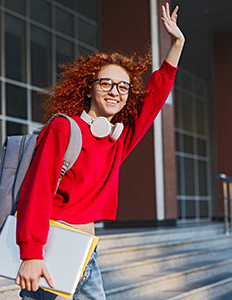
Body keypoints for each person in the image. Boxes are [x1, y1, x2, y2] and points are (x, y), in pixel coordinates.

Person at [15, 3, 185, 300]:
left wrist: (177, 45)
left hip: (86, 251)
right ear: (89, 88)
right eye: (106, 83)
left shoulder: (116, 139)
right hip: (51, 249)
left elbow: (155, 99)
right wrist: (31, 253)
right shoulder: (64, 130)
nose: (115, 91)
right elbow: (37, 190)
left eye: (123, 87)